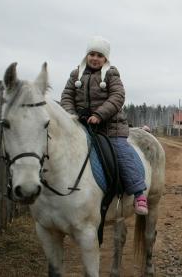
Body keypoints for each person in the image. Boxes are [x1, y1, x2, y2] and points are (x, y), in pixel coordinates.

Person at [60, 36, 148, 215]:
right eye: (91, 54)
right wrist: (72, 115)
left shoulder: (111, 74)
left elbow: (117, 96)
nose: (95, 58)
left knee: (122, 153)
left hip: (110, 127)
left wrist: (99, 115)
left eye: (99, 55)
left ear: (105, 59)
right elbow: (67, 96)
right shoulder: (76, 74)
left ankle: (139, 193)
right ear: (86, 56)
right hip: (81, 125)